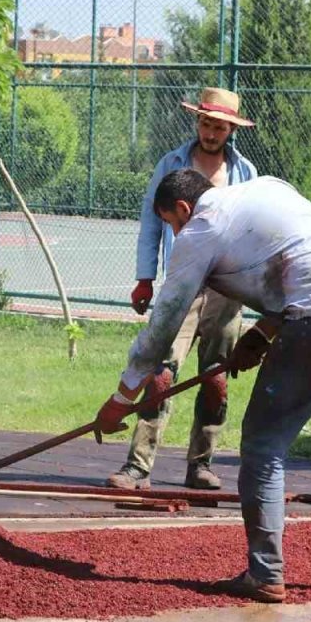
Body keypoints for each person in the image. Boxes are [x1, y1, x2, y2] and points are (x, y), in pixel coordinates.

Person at [94, 170, 311, 602]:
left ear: (184, 209)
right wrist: (262, 335)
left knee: (264, 445)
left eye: (170, 222)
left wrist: (122, 397)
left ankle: (265, 573)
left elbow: (166, 320)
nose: (174, 232)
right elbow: (303, 260)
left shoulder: (199, 228)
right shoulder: (267, 188)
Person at [108, 87, 257, 491]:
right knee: (161, 373)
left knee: (215, 377)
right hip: (183, 283)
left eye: (219, 126)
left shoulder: (245, 173)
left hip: (227, 288)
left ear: (231, 130)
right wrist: (144, 278)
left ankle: (201, 464)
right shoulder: (172, 164)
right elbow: (152, 221)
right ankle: (138, 466)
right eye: (206, 123)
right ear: (197, 123)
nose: (211, 132)